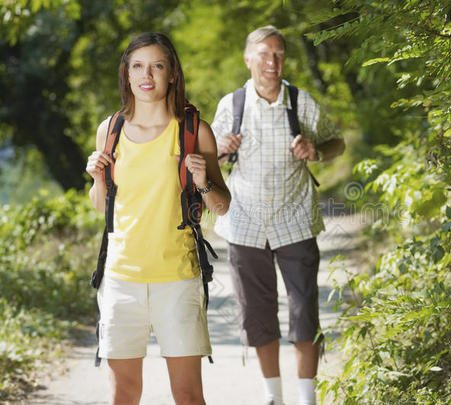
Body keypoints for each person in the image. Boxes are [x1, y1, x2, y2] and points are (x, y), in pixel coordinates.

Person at [85, 32, 230, 405]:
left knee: (187, 395)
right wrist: (98, 178)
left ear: (172, 74)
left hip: (178, 281)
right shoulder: (110, 130)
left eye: (157, 66)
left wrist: (202, 182)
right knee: (124, 394)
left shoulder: (194, 131)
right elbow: (102, 208)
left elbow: (221, 205)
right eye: (138, 66)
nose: (146, 75)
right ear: (127, 74)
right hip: (120, 281)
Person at [211, 25, 345, 405]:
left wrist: (315, 150)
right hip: (245, 223)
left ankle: (308, 399)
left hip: (296, 220)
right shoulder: (231, 105)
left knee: (305, 312)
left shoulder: (301, 102)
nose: (272, 61)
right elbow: (208, 161)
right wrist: (221, 148)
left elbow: (337, 141)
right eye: (264, 53)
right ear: (248, 58)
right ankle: (273, 396)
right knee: (258, 314)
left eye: (279, 54)